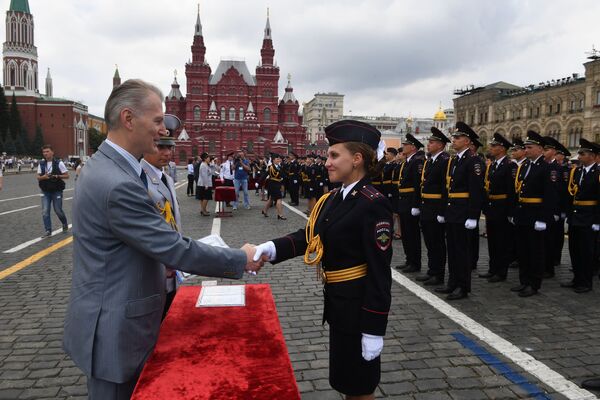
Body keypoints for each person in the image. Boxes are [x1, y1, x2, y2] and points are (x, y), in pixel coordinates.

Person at [62, 79, 265, 400]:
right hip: (118, 332)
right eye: (156, 120)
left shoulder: (106, 168)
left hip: (115, 320)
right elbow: (171, 247)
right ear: (129, 119)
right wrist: (241, 258)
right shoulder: (118, 183)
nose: (162, 130)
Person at [254, 120, 391, 400]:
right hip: (339, 305)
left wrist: (374, 329)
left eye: (333, 155)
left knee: (360, 387)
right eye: (328, 155)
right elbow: (308, 236)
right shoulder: (333, 199)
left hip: (359, 310)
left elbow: (380, 273)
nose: (327, 162)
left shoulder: (371, 203)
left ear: (356, 159)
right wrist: (269, 248)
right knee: (345, 381)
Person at [434, 122, 484, 300]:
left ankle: (463, 287)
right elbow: (447, 188)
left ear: (467, 141)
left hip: (463, 213)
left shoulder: (474, 161)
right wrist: (443, 210)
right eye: (453, 137)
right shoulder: (455, 160)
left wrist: (473, 216)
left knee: (462, 252)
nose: (453, 140)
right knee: (453, 250)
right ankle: (452, 283)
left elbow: (476, 191)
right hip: (452, 211)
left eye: (457, 138)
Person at [140, 114, 182, 318]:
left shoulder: (165, 177)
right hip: (153, 270)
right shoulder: (139, 179)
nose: (166, 153)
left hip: (171, 267)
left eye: (170, 147)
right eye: (160, 147)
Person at [510, 131, 559, 297]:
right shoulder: (525, 166)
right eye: (525, 147)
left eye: (529, 147)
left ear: (540, 148)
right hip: (523, 213)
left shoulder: (547, 168)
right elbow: (519, 191)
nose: (526, 150)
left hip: (536, 214)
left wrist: (543, 219)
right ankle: (524, 281)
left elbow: (550, 195)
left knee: (535, 251)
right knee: (523, 250)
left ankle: (534, 283)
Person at [561, 139, 600, 293]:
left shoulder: (597, 173)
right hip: (575, 216)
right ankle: (576, 278)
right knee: (574, 250)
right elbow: (570, 196)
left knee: (587, 251)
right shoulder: (576, 171)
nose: (579, 156)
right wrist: (568, 215)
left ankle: (586, 282)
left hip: (590, 217)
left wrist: (598, 220)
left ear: (592, 156)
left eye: (582, 153)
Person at [415, 127, 450, 286]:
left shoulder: (445, 161)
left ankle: (439, 274)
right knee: (429, 241)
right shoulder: (430, 161)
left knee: (437, 242)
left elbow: (445, 187)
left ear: (441, 145)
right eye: (429, 141)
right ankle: (431, 270)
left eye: (432, 142)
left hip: (436, 207)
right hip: (427, 206)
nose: (428, 144)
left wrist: (442, 211)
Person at [479, 132, 516, 283]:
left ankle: (501, 271)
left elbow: (512, 191)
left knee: (502, 242)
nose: (491, 147)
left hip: (502, 207)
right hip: (492, 207)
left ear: (502, 148)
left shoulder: (509, 166)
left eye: (494, 146)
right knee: (492, 241)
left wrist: (510, 212)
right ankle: (492, 268)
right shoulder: (493, 165)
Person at [395, 133, 425, 273]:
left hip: (410, 201)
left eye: (405, 145)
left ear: (413, 147)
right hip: (404, 201)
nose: (403, 147)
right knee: (406, 234)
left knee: (412, 234)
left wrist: (415, 205)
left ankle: (415, 262)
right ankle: (409, 260)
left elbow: (417, 185)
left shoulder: (417, 161)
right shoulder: (408, 161)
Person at [37, 144, 69, 237]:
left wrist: (57, 176)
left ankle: (64, 223)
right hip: (45, 191)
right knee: (45, 211)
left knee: (58, 210)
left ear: (52, 152)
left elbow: (67, 175)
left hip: (56, 190)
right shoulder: (41, 164)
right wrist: (44, 177)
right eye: (44, 152)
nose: (45, 153)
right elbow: (38, 177)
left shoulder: (59, 163)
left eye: (47, 151)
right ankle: (48, 230)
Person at [262, 153, 287, 220]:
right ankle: (280, 214)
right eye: (277, 159)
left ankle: (264, 211)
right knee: (279, 198)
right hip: (273, 185)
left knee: (271, 199)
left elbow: (283, 175)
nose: (279, 160)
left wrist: (283, 179)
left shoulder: (279, 166)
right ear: (273, 160)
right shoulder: (271, 167)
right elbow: (265, 175)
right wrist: (258, 182)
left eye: (279, 159)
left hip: (277, 184)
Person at [197, 152, 213, 216]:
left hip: (203, 184)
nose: (209, 159)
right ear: (204, 158)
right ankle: (203, 211)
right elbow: (204, 176)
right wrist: (206, 185)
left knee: (203, 198)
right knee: (205, 198)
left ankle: (203, 209)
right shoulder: (203, 165)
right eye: (208, 158)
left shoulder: (206, 164)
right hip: (204, 184)